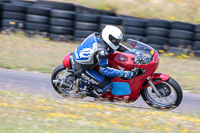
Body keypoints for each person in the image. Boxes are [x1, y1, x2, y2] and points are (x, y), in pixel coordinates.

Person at [72, 25, 136, 95]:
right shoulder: (102, 51)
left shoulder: (99, 36)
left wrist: (134, 53)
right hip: (82, 68)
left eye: (118, 40)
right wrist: (123, 73)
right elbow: (105, 70)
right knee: (108, 87)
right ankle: (85, 89)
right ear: (108, 36)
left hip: (87, 59)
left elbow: (118, 46)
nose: (116, 42)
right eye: (115, 40)